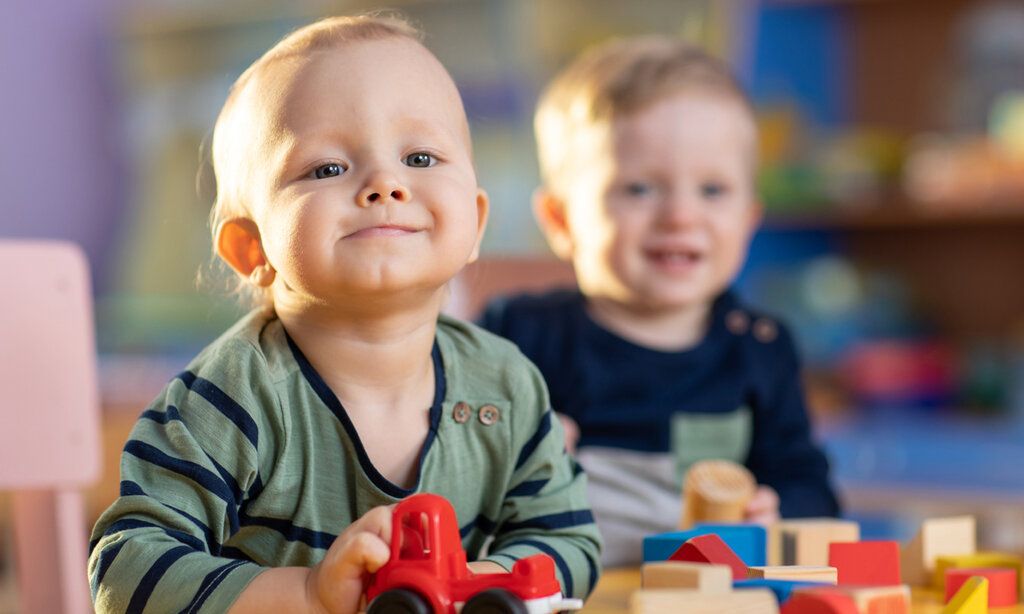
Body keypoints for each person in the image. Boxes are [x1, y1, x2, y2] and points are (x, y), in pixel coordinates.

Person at [88, 15, 600, 613]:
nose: (385, 182)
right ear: (251, 249)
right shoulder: (229, 399)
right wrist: (308, 593)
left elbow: (571, 543)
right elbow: (125, 571)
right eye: (327, 168)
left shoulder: (505, 385)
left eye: (421, 156)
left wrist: (483, 582)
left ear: (476, 223)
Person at [480, 36, 840, 567]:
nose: (680, 216)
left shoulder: (760, 348)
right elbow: (442, 464)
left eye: (712, 190)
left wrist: (779, 512)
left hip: (706, 594)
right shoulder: (519, 334)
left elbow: (811, 488)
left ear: (748, 219)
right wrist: (512, 447)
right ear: (561, 220)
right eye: (640, 189)